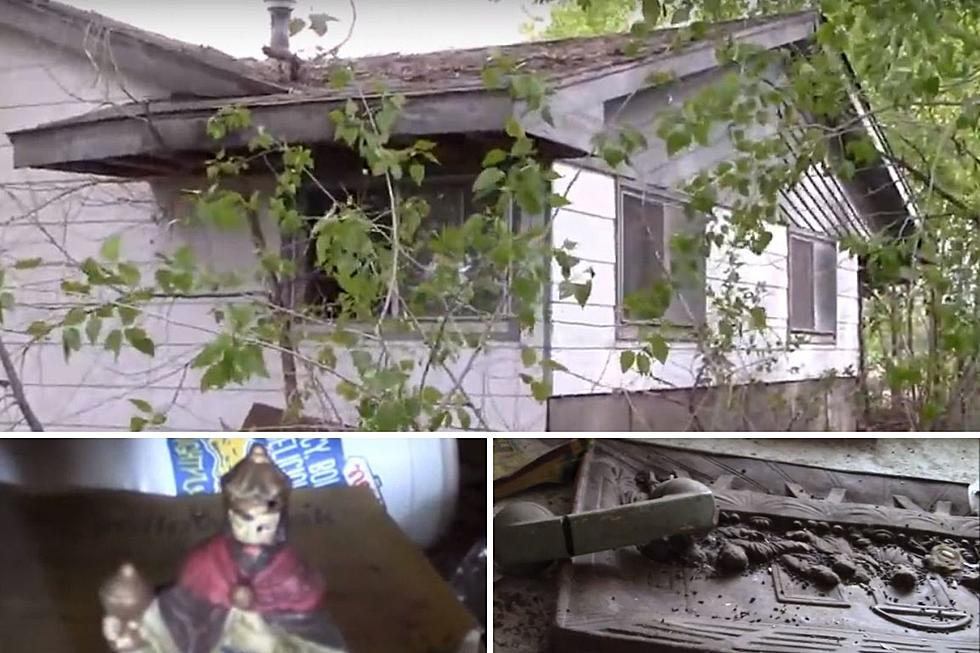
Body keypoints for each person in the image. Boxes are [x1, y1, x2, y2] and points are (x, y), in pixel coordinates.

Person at [101, 444, 347, 653]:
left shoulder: (290, 569)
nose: (253, 532)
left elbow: (306, 623)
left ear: (279, 522)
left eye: (265, 526)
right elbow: (183, 610)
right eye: (244, 522)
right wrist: (145, 624)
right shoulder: (208, 560)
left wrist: (267, 632)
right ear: (230, 517)